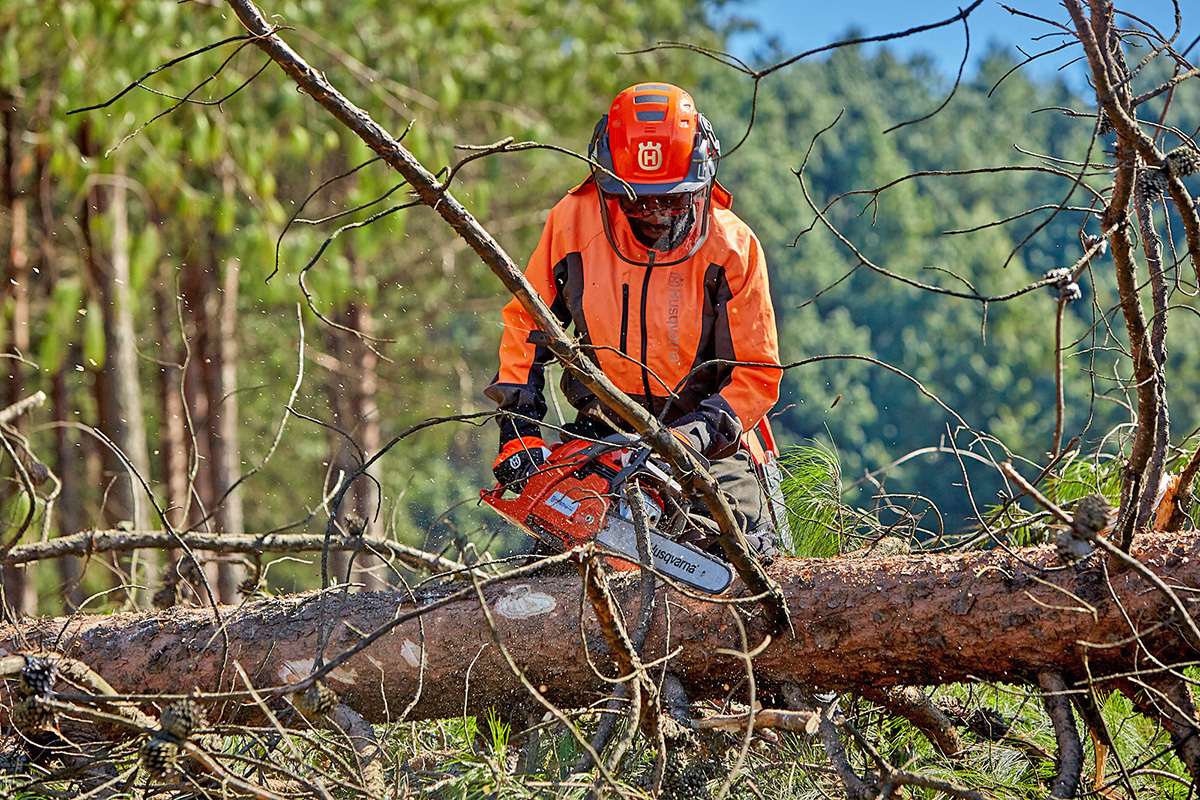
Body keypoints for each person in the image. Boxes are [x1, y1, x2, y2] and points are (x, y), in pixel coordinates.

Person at [484, 82, 782, 558]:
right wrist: (518, 430)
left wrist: (692, 437)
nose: (656, 213)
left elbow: (756, 373)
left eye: (670, 199)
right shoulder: (573, 223)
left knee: (737, 535)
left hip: (704, 432)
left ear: (699, 178)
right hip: (603, 421)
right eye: (640, 200)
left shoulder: (731, 248)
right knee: (562, 533)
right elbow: (526, 323)